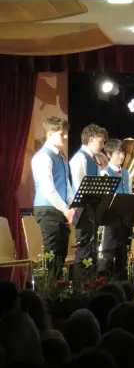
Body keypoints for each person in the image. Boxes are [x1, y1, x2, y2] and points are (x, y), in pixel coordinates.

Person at [32, 116, 75, 277]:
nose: (65, 136)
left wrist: (71, 205)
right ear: (50, 134)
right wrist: (65, 209)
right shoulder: (43, 156)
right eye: (61, 133)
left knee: (61, 253)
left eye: (65, 133)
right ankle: (49, 295)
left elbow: (67, 185)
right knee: (52, 253)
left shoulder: (61, 157)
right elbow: (48, 188)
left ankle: (57, 291)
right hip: (47, 209)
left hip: (60, 209)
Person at [70, 123, 108, 266]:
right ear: (91, 139)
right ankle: (81, 284)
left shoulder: (94, 159)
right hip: (82, 208)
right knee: (84, 247)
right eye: (101, 141)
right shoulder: (80, 158)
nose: (103, 145)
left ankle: (91, 283)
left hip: (92, 207)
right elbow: (80, 185)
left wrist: (104, 168)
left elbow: (99, 184)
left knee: (92, 249)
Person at [99, 139, 131, 278]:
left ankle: (121, 281)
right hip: (111, 217)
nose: (122, 156)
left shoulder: (125, 173)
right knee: (108, 250)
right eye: (118, 153)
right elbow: (105, 197)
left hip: (124, 217)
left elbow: (129, 194)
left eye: (123, 153)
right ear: (109, 154)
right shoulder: (105, 173)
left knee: (122, 252)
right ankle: (102, 280)